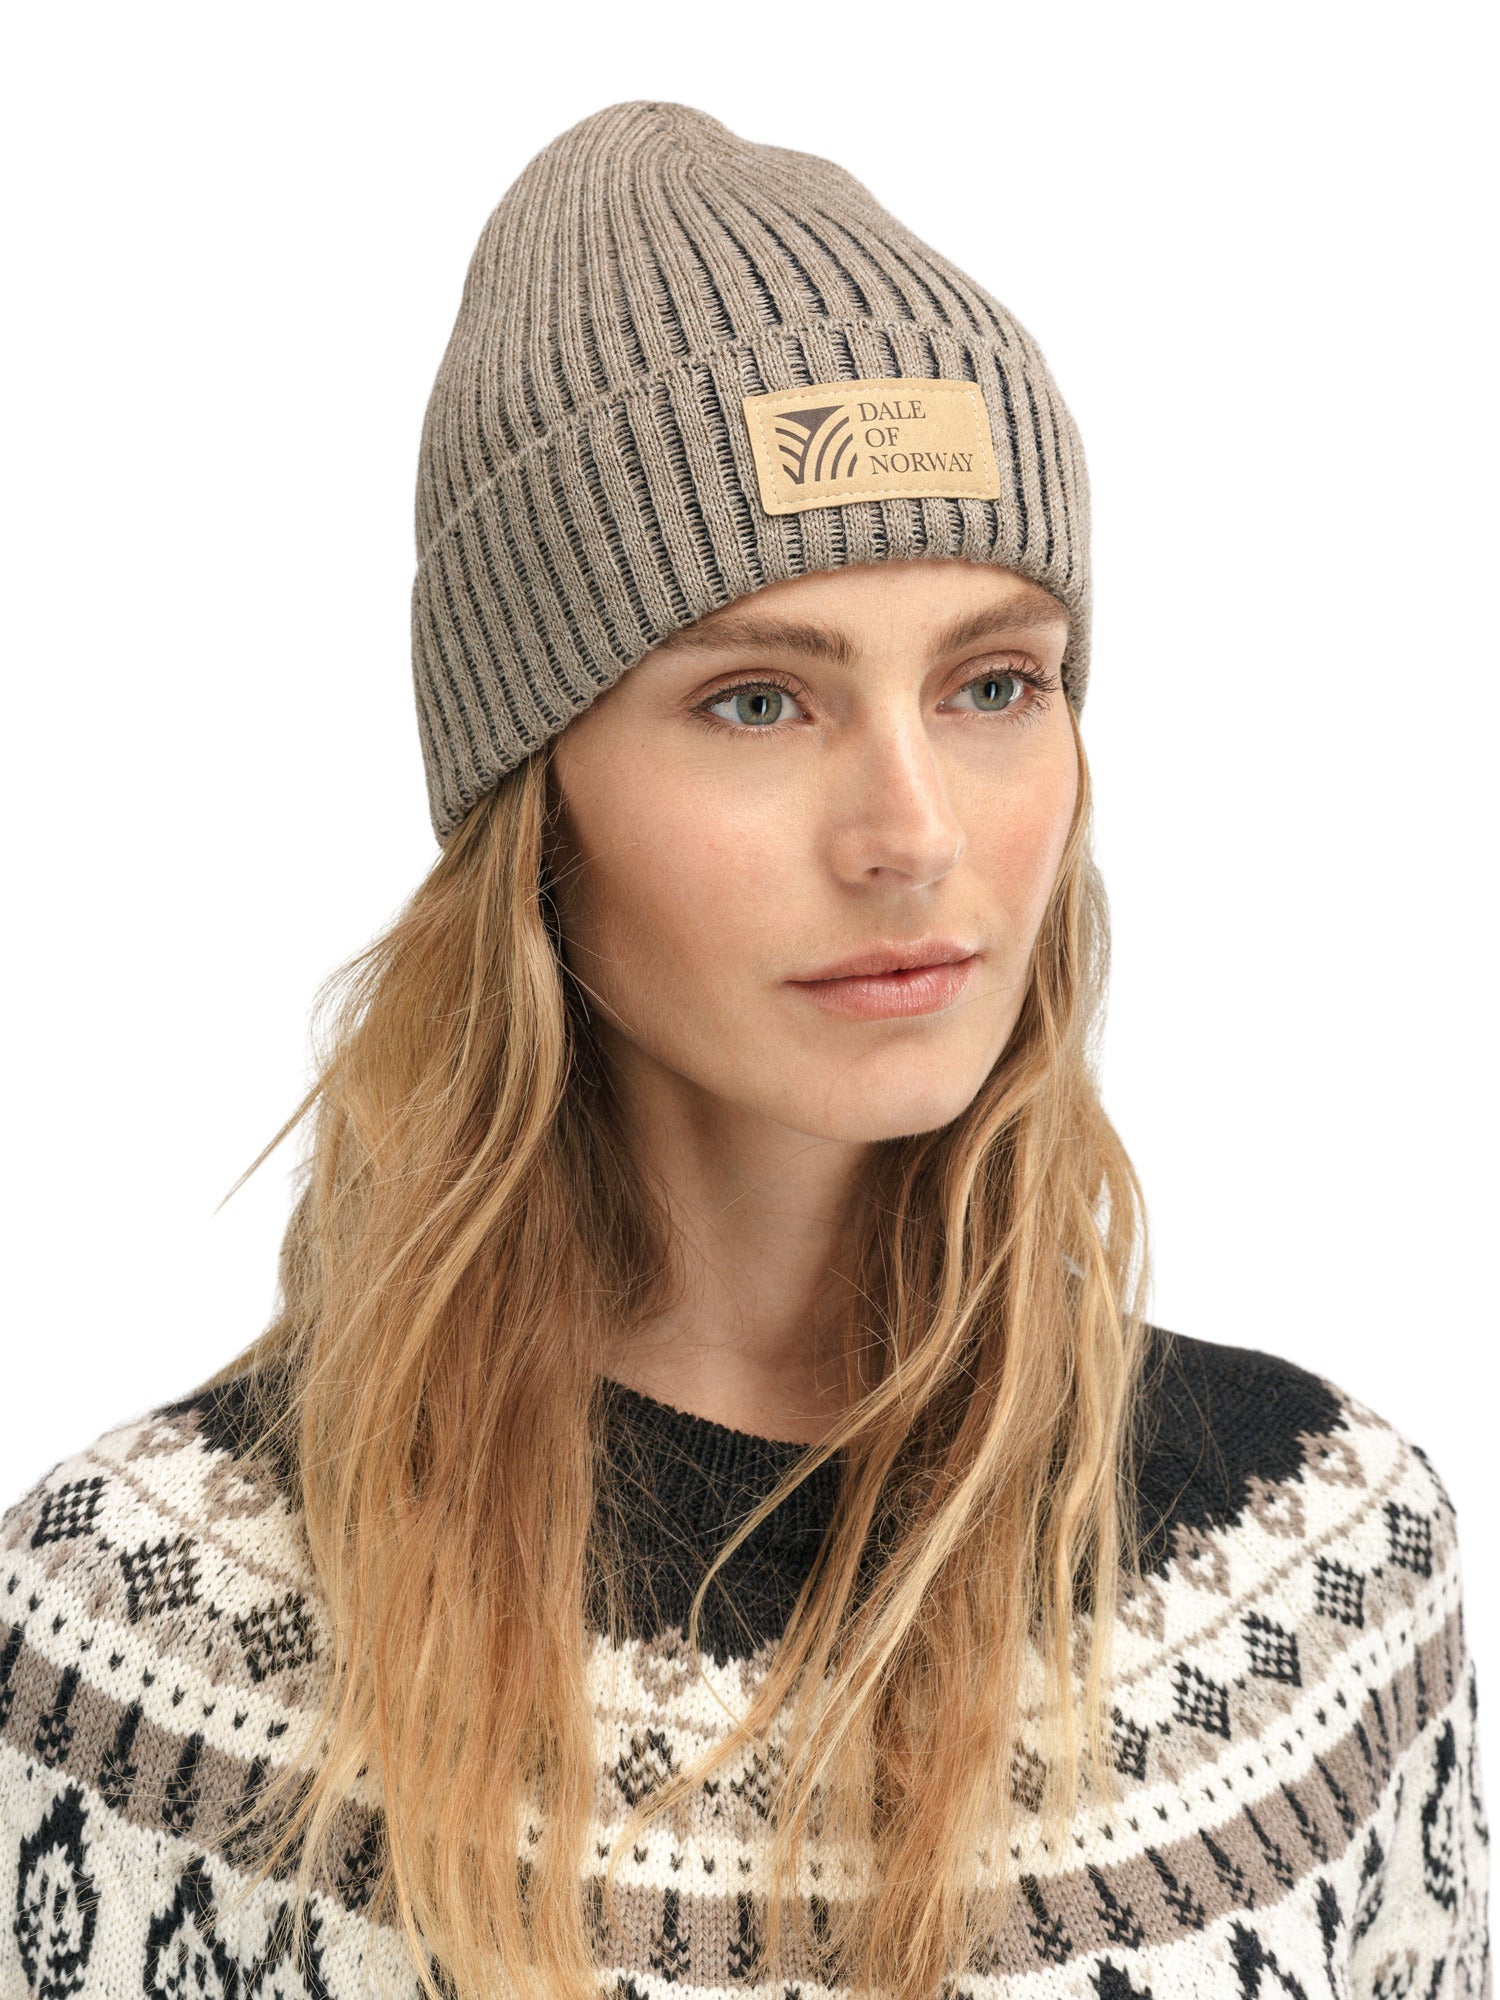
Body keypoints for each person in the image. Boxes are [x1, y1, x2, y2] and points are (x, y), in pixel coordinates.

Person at [0, 101, 1487, 2000]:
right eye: (759, 701)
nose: (913, 834)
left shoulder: (1330, 1573)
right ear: (534, 804)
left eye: (994, 684)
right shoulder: (147, 1633)